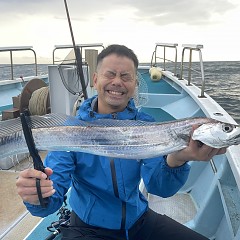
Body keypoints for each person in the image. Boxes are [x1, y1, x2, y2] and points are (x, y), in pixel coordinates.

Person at [16, 44, 226, 240]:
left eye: (126, 76)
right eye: (110, 74)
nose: (118, 81)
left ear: (134, 84)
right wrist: (37, 196)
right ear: (96, 79)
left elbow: (159, 187)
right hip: (88, 228)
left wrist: (178, 159)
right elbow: (50, 198)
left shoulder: (146, 126)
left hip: (139, 221)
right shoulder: (73, 130)